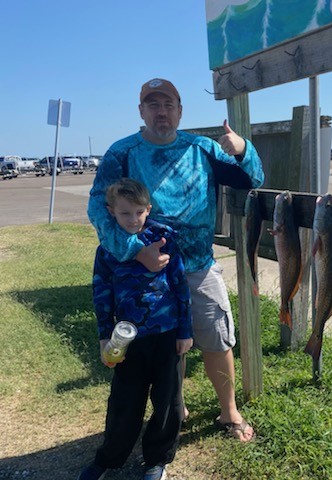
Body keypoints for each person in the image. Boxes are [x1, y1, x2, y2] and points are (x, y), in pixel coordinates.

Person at [87, 78, 264, 444]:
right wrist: (137, 250)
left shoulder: (202, 148)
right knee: (170, 345)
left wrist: (243, 148)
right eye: (152, 105)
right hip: (148, 273)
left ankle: (228, 411)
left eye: (167, 104)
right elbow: (98, 207)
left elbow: (253, 179)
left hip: (199, 266)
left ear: (180, 110)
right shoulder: (122, 153)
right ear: (141, 111)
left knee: (217, 339)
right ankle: (175, 405)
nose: (161, 111)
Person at [79, 178, 193, 480]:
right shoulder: (108, 248)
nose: (133, 219)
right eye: (125, 213)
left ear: (148, 209)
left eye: (139, 212)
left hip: (167, 334)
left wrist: (185, 330)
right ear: (111, 212)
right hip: (126, 339)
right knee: (124, 401)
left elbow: (181, 285)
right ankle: (109, 458)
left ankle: (157, 459)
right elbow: (101, 293)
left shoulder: (164, 238)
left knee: (167, 400)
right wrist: (105, 336)